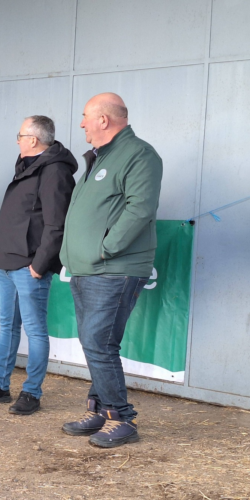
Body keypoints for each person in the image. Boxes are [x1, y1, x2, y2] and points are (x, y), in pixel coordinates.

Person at [60, 93, 163, 447]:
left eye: (86, 116)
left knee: (97, 341)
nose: (82, 123)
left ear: (103, 119)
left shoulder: (139, 154)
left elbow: (140, 209)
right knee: (97, 343)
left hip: (114, 268)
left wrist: (105, 248)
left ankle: (122, 418)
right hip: (88, 268)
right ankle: (100, 410)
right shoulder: (102, 157)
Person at [0, 116, 77, 415]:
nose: (17, 140)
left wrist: (39, 265)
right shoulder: (27, 166)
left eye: (20, 135)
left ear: (33, 140)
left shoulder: (55, 171)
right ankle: (0, 386)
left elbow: (56, 224)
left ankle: (31, 392)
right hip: (6, 261)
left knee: (35, 330)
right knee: (7, 326)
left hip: (28, 266)